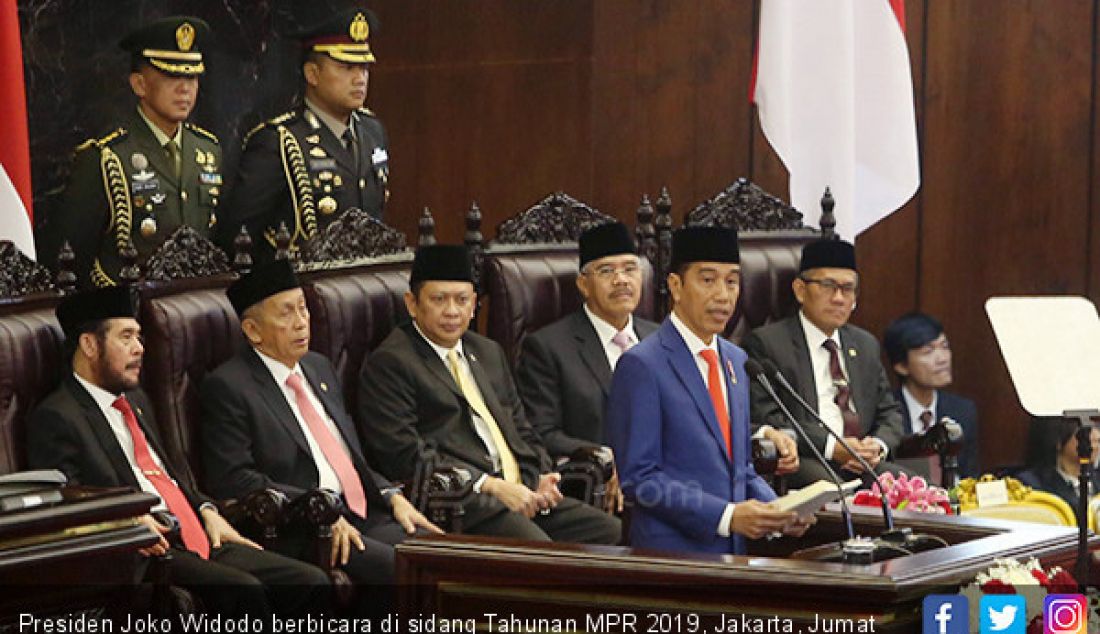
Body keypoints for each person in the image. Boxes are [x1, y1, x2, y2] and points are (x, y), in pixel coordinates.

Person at [27, 286, 329, 616]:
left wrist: (207, 510)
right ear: (89, 345)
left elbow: (172, 476)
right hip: (146, 551)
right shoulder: (58, 416)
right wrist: (125, 519)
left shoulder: (137, 401)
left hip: (195, 533)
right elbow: (66, 503)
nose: (139, 349)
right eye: (126, 337)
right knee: (243, 592)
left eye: (139, 338)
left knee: (310, 582)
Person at [200, 259, 441, 604]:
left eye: (303, 309)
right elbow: (234, 479)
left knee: (441, 558)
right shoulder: (229, 386)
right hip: (301, 526)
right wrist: (317, 511)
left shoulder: (318, 366)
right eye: (286, 314)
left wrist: (391, 495)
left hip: (361, 511)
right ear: (253, 330)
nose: (301, 322)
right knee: (402, 571)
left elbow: (346, 455)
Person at [358, 244, 621, 544]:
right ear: (412, 303)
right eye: (439, 300)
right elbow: (404, 456)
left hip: (519, 489)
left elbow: (522, 430)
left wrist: (538, 477)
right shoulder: (392, 362)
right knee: (540, 550)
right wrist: (491, 485)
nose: (452, 311)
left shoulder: (486, 351)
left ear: (474, 306)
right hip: (463, 500)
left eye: (462, 300)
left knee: (610, 533)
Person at [606, 226, 810, 555]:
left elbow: (740, 467)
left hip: (734, 553)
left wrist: (778, 511)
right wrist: (727, 516)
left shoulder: (736, 360)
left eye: (732, 281)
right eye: (708, 280)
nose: (723, 295)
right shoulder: (642, 365)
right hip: (673, 556)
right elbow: (640, 480)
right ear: (676, 286)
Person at [40, 16, 223, 288]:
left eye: (192, 76)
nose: (185, 88)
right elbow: (69, 258)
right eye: (172, 76)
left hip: (194, 308)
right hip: (128, 312)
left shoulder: (207, 150)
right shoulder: (107, 156)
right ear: (140, 84)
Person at [220, 5, 390, 262]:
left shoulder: (372, 131)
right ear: (312, 73)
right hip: (304, 289)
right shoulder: (279, 141)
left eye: (364, 67)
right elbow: (239, 238)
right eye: (346, 67)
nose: (360, 79)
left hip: (363, 286)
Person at [514, 222, 658, 512]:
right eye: (607, 271)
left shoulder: (662, 340)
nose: (621, 280)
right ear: (583, 284)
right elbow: (543, 432)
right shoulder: (548, 347)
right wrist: (606, 457)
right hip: (597, 491)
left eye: (630, 269)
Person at [743, 238, 907, 489]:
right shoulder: (768, 344)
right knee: (836, 496)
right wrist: (833, 447)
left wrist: (877, 446)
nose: (839, 298)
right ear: (800, 290)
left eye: (848, 289)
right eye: (829, 286)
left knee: (929, 496)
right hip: (807, 458)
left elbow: (890, 413)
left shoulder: (865, 344)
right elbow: (769, 418)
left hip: (863, 462)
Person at [883, 312, 979, 482]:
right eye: (928, 351)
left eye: (944, 346)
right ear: (901, 366)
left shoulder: (963, 410)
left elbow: (969, 476)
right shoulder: (885, 412)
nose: (942, 359)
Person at [1018, 418, 1100, 509]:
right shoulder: (1031, 484)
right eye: (1085, 430)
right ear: (1058, 441)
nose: (1096, 436)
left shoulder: (1097, 479)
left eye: (1095, 427)